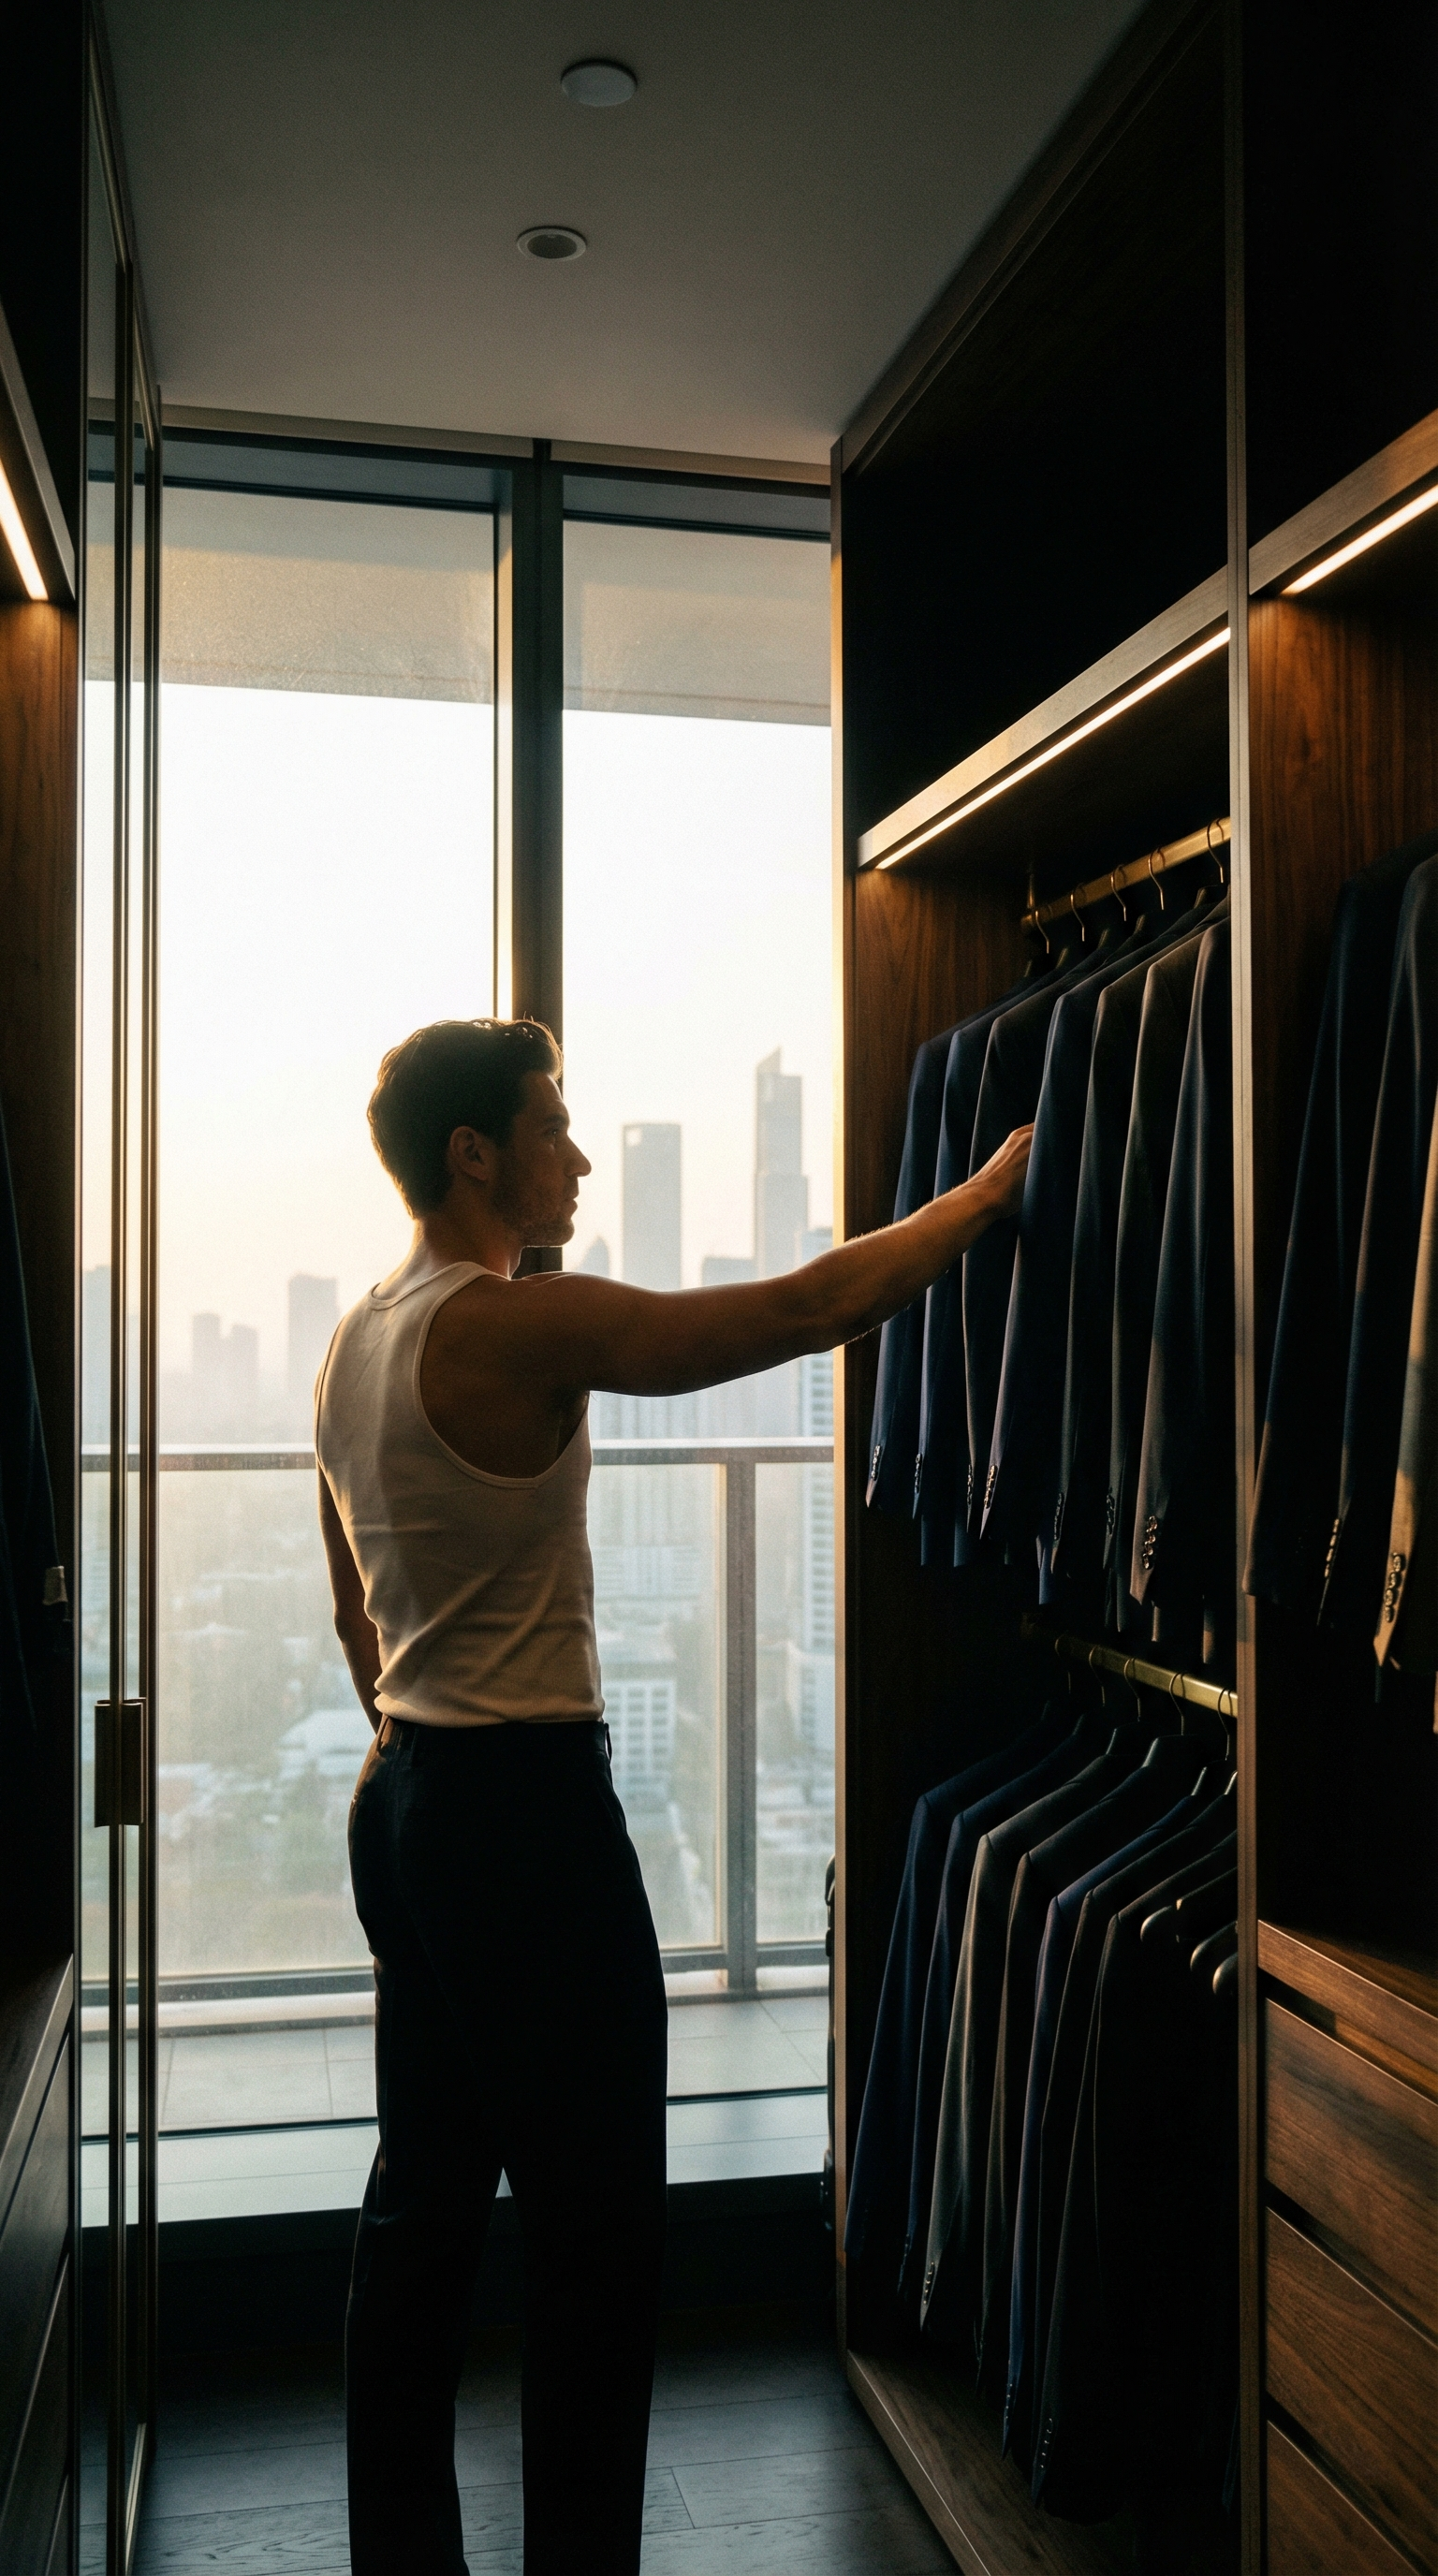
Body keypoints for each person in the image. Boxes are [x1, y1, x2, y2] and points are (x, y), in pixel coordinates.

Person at [315, 1015, 1032, 2576]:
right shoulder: (512, 1324)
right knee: (595, 2236)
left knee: (420, 2207)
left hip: (405, 1792)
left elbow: (356, 1614)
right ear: (473, 1156)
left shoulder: (355, 1336)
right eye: (553, 1128)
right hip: (522, 1819)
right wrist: (986, 1196)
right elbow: (802, 1310)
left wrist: (422, 1746)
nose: (578, 1158)